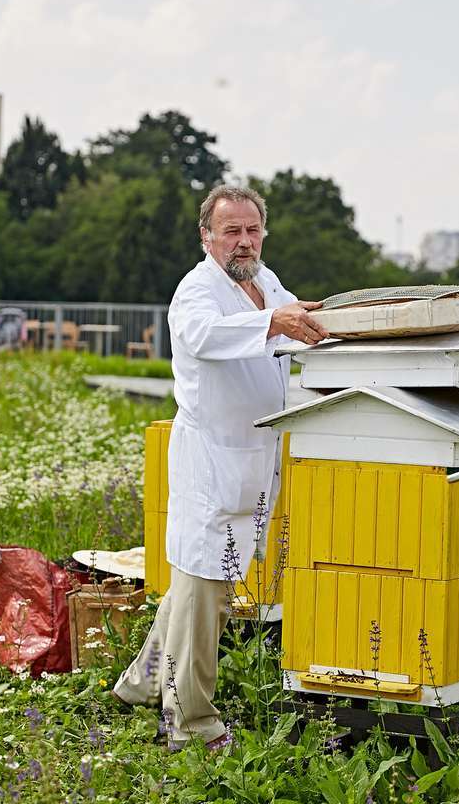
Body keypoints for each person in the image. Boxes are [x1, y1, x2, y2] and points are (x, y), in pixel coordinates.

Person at [112, 185, 328, 750]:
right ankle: (190, 724)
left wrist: (333, 326)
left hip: (253, 455)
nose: (244, 241)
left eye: (252, 230)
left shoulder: (266, 282)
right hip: (211, 459)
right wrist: (275, 323)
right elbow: (203, 335)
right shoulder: (197, 289)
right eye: (231, 231)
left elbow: (294, 320)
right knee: (204, 588)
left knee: (199, 586)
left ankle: (143, 683)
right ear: (206, 236)